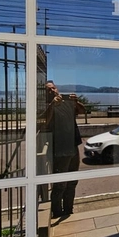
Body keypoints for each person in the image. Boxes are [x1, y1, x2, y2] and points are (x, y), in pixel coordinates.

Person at [43, 81, 86, 218]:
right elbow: (45, 122)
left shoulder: (67, 102)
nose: (52, 91)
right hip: (59, 148)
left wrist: (76, 102)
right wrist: (52, 105)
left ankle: (68, 209)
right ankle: (57, 211)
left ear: (57, 88)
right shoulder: (45, 106)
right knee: (60, 183)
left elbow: (83, 111)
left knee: (72, 180)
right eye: (48, 90)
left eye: (53, 88)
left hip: (73, 145)